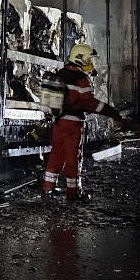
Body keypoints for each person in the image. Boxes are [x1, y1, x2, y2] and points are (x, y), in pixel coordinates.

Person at [42, 43, 120, 200]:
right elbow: (90, 103)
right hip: (73, 124)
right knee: (73, 158)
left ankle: (47, 189)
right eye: (89, 59)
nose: (91, 62)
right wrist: (110, 111)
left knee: (56, 154)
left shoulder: (60, 73)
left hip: (58, 123)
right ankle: (73, 192)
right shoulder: (81, 79)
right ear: (81, 58)